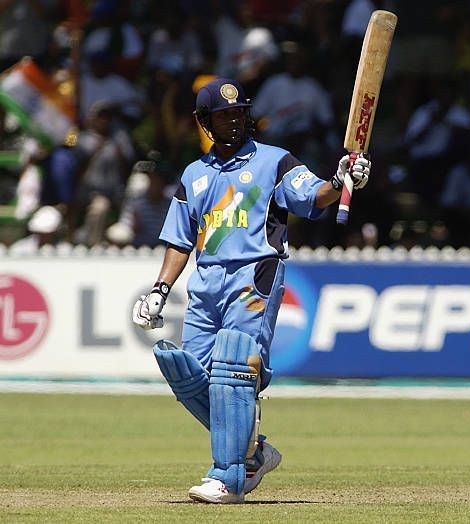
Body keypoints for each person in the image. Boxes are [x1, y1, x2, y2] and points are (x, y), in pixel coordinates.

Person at [131, 78, 370, 504]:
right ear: (205, 122)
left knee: (233, 370)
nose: (234, 120)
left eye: (238, 111)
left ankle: (228, 477)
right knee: (188, 373)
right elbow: (179, 240)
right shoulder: (194, 175)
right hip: (206, 284)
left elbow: (313, 198)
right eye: (223, 115)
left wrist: (340, 178)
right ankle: (253, 452)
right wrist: (160, 290)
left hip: (253, 275)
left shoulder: (274, 161)